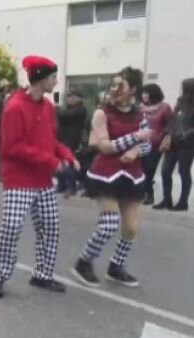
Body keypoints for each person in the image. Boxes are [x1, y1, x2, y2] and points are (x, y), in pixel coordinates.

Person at [0, 55, 79, 298]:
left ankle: (43, 275)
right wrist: (51, 162)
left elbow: (51, 141)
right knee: (11, 228)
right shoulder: (15, 107)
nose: (56, 82)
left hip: (43, 181)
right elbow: (11, 147)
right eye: (53, 78)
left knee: (50, 227)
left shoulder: (48, 107)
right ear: (40, 79)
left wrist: (67, 156)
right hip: (19, 181)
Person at [72, 67, 152, 288]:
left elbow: (147, 144)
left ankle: (116, 267)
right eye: (113, 85)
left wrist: (135, 151)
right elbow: (105, 147)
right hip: (105, 174)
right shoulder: (102, 113)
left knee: (131, 227)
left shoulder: (141, 114)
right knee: (109, 224)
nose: (115, 90)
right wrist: (134, 138)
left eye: (121, 85)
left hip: (132, 176)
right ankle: (83, 262)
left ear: (133, 90)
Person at [155, 78, 194, 212]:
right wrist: (169, 132)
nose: (182, 90)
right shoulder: (180, 101)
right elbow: (173, 119)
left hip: (188, 144)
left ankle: (183, 202)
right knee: (165, 171)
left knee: (184, 172)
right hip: (173, 142)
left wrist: (186, 134)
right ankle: (167, 200)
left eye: (184, 87)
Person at [140, 84, 173, 206]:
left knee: (149, 170)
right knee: (141, 170)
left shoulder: (164, 107)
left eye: (146, 93)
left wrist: (164, 135)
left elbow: (171, 124)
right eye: (143, 93)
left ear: (153, 94)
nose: (144, 95)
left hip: (155, 144)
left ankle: (150, 195)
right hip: (140, 142)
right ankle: (143, 193)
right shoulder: (141, 108)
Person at [56, 91, 88, 197]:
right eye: (69, 97)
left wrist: (55, 109)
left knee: (68, 164)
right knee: (59, 162)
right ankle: (61, 185)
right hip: (62, 139)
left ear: (79, 98)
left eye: (72, 97)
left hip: (73, 140)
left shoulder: (81, 109)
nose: (70, 99)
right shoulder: (67, 109)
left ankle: (72, 187)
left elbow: (65, 115)